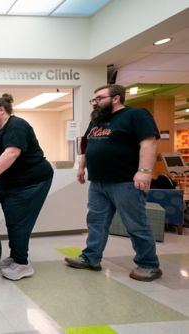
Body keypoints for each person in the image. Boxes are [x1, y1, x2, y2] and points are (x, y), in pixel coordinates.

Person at [64, 84, 162, 282]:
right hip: (98, 182)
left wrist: (144, 171)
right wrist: (82, 167)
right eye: (94, 100)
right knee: (96, 222)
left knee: (135, 224)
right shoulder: (98, 120)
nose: (95, 103)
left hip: (125, 181)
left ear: (116, 98)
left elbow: (149, 142)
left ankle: (149, 264)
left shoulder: (135, 115)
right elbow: (87, 145)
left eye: (99, 98)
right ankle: (91, 258)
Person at [0, 93, 54, 281]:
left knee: (19, 222)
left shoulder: (16, 126)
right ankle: (15, 257)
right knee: (12, 220)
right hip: (10, 185)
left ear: (2, 110)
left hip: (30, 183)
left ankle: (22, 264)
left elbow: (11, 153)